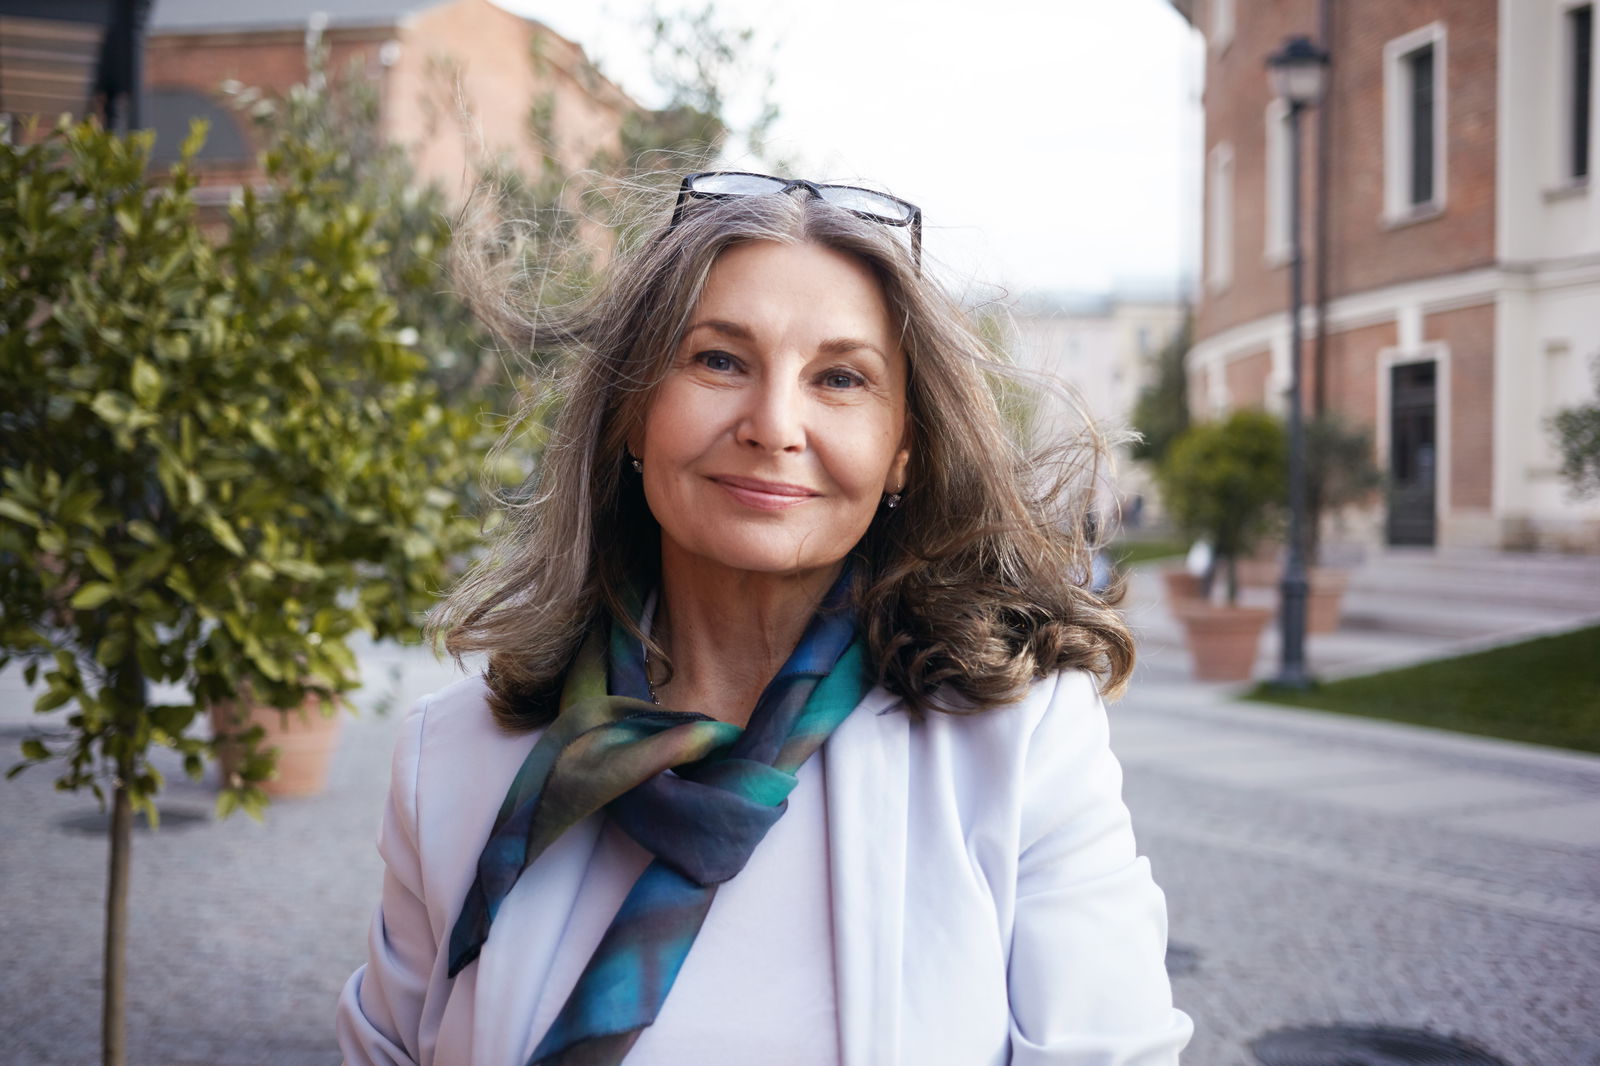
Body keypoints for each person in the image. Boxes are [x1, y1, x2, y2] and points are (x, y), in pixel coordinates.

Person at [336, 171, 1192, 1066]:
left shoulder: (1022, 743)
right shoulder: (452, 758)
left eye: (840, 378)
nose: (774, 425)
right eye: (719, 361)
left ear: (903, 450)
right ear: (633, 413)